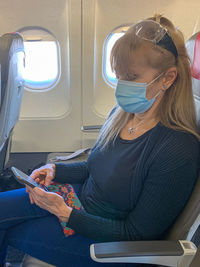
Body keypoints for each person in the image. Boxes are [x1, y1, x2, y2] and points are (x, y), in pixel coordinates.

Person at [0, 14, 199, 267]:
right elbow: (94, 166)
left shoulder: (177, 150)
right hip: (80, 203)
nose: (121, 85)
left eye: (131, 76)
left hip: (107, 242)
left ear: (168, 78)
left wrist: (64, 213)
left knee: (10, 229)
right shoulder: (122, 114)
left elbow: (137, 233)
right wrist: (55, 169)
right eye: (118, 75)